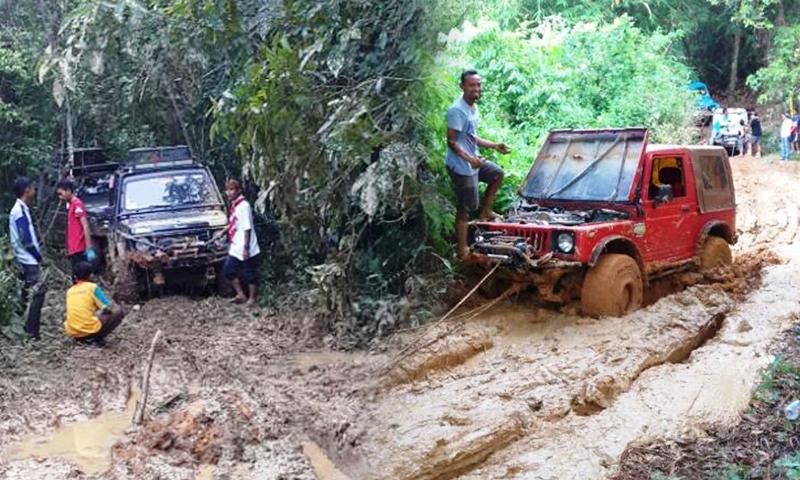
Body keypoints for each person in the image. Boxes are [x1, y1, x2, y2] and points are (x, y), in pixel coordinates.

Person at [446, 69, 510, 258]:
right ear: (462, 86)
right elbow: (452, 142)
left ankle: (487, 210)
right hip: (461, 167)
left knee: (497, 174)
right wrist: (470, 160)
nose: (476, 88)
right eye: (472, 85)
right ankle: (462, 249)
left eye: (478, 84)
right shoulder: (457, 110)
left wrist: (494, 146)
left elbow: (472, 137)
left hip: (474, 161)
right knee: (466, 207)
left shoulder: (473, 107)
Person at [8, 177, 46, 340]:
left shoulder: (21, 209)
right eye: (32, 188)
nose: (34, 191)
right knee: (38, 293)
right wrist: (38, 257)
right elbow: (26, 239)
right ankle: (32, 332)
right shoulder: (19, 211)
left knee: (25, 292)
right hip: (28, 259)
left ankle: (22, 325)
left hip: (23, 258)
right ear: (26, 190)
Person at [65, 261, 124, 345]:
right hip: (89, 330)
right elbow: (107, 307)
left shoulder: (70, 291)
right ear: (89, 275)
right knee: (117, 310)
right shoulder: (92, 287)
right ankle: (96, 338)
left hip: (73, 331)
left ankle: (80, 339)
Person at [222, 179, 260, 306]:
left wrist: (246, 248)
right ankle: (241, 294)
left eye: (232, 189)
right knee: (228, 269)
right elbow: (235, 223)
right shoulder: (235, 205)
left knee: (249, 272)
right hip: (236, 245)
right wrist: (224, 231)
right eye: (227, 190)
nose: (229, 193)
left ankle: (252, 298)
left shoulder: (244, 206)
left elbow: (247, 228)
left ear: (238, 191)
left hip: (245, 244)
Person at [55, 179, 97, 274]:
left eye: (61, 194)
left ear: (68, 191)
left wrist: (89, 247)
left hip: (79, 248)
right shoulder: (71, 205)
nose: (60, 197)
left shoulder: (77, 204)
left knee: (81, 276)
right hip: (74, 249)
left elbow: (85, 225)